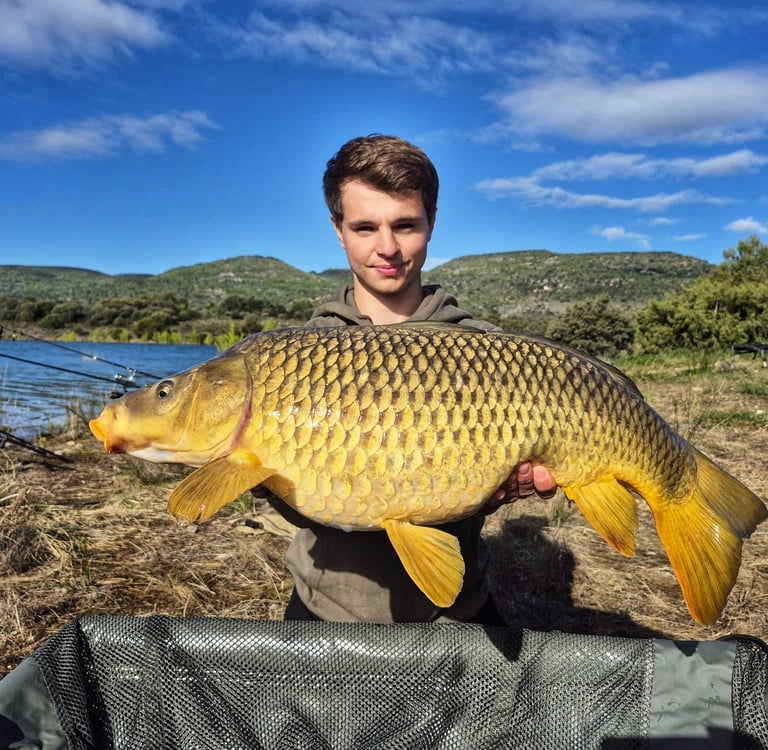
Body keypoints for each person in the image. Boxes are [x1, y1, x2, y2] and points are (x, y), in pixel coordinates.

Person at [271, 134, 556, 624]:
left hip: (454, 611)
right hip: (325, 610)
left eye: (405, 225)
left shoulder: (486, 351)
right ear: (338, 230)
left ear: (431, 223)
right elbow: (313, 505)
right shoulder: (298, 356)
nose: (387, 248)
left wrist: (498, 489)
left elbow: (480, 496)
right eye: (364, 227)